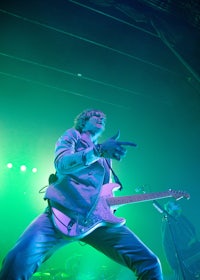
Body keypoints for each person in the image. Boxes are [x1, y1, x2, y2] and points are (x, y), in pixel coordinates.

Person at [0, 108, 163, 280]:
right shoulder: (72, 136)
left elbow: (103, 192)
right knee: (17, 260)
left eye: (103, 119)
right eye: (96, 116)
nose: (101, 118)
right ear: (84, 121)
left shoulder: (105, 157)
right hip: (61, 215)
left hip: (96, 221)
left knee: (150, 263)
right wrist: (98, 150)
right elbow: (62, 163)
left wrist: (111, 206)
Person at [161, 200, 200, 279]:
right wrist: (174, 265)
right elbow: (166, 244)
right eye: (174, 204)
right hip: (185, 257)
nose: (178, 204)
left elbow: (192, 232)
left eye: (177, 203)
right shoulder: (168, 222)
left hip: (193, 251)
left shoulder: (181, 218)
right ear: (168, 209)